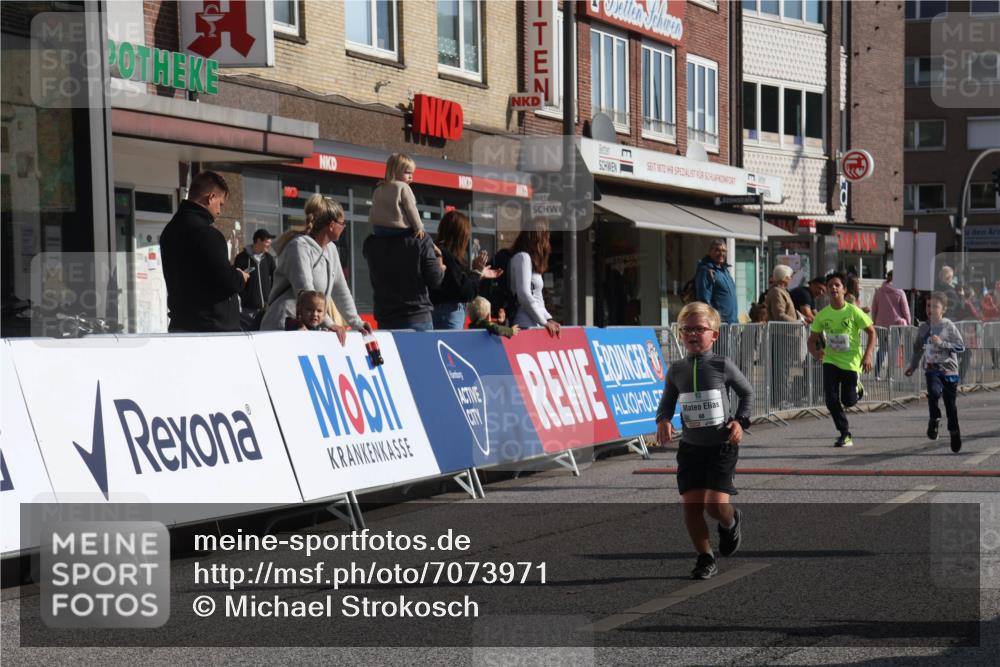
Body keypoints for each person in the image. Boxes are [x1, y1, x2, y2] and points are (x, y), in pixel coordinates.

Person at [655, 302, 753, 580]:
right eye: (686, 329)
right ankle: (705, 557)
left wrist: (740, 422)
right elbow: (666, 404)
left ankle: (731, 521)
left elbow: (747, 394)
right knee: (692, 507)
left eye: (700, 329)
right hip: (691, 449)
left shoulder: (722, 365)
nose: (693, 334)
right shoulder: (676, 370)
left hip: (721, 446)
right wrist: (663, 421)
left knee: (714, 506)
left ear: (715, 335)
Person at [261, 194, 369, 346]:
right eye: (342, 223)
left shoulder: (331, 249)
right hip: (283, 327)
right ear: (331, 225)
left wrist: (357, 322)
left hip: (308, 326)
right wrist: (330, 324)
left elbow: (340, 290)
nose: (344, 227)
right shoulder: (299, 247)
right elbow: (306, 293)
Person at [160, 170, 249, 333]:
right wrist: (240, 277)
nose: (220, 211)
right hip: (211, 329)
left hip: (181, 323)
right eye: (220, 204)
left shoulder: (169, 231)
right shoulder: (206, 234)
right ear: (211, 197)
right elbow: (225, 280)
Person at [807, 272, 876, 447]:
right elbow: (812, 340)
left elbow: (871, 332)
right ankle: (845, 433)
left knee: (848, 401)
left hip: (851, 362)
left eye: (837, 285)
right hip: (830, 360)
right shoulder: (823, 315)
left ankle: (857, 388)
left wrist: (868, 354)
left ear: (844, 290)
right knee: (830, 399)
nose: (833, 288)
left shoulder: (853, 311)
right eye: (830, 286)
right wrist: (816, 354)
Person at [363, 207, 445, 331]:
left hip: (385, 318)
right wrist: (439, 259)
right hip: (417, 317)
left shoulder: (371, 243)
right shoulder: (421, 241)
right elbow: (435, 280)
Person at [905, 292, 965, 452]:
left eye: (935, 306)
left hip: (949, 372)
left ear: (943, 309)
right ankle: (934, 419)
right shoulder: (924, 327)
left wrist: (943, 343)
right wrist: (912, 366)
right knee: (933, 393)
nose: (930, 309)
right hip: (932, 369)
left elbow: (961, 347)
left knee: (950, 406)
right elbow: (918, 349)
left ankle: (954, 432)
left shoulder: (949, 326)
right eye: (928, 305)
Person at [429, 210, 502, 329]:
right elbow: (464, 292)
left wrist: (478, 274)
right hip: (447, 315)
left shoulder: (438, 251)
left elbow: (454, 282)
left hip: (439, 312)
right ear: (460, 235)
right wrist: (477, 272)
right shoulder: (446, 254)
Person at [509, 218, 561, 338]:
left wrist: (548, 319)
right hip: (524, 324)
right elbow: (524, 295)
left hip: (534, 323)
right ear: (538, 236)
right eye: (546, 235)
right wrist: (544, 321)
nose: (548, 240)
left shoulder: (531, 260)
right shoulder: (523, 257)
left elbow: (537, 297)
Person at [369, 153, 424, 239]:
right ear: (395, 171)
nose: (411, 176)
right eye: (407, 172)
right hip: (398, 230)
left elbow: (374, 209)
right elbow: (411, 209)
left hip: (378, 229)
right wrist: (419, 227)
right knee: (424, 238)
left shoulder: (379, 188)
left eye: (412, 173)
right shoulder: (403, 187)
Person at [765, 265, 798, 406]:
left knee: (784, 367)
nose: (791, 279)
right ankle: (780, 399)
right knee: (781, 368)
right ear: (784, 278)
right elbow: (779, 314)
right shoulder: (777, 292)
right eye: (789, 276)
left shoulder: (782, 291)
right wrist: (797, 322)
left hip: (785, 334)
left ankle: (779, 398)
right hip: (781, 334)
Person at [233, 228, 277, 331]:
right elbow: (236, 280)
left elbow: (276, 278)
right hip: (247, 310)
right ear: (258, 241)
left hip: (265, 309)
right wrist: (246, 297)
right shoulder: (242, 258)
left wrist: (271, 295)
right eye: (267, 241)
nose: (269, 244)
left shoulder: (269, 259)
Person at [871, 271, 911, 378]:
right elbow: (905, 310)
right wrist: (908, 323)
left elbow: (874, 310)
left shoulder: (879, 291)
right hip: (896, 325)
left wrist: (874, 324)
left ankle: (877, 374)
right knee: (893, 350)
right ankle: (890, 375)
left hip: (880, 325)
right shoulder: (900, 292)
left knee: (883, 349)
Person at [694, 239, 738, 325]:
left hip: (731, 324)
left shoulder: (725, 271)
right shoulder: (707, 271)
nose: (721, 253)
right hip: (718, 324)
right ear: (710, 252)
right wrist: (714, 320)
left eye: (724, 251)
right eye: (717, 250)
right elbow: (704, 301)